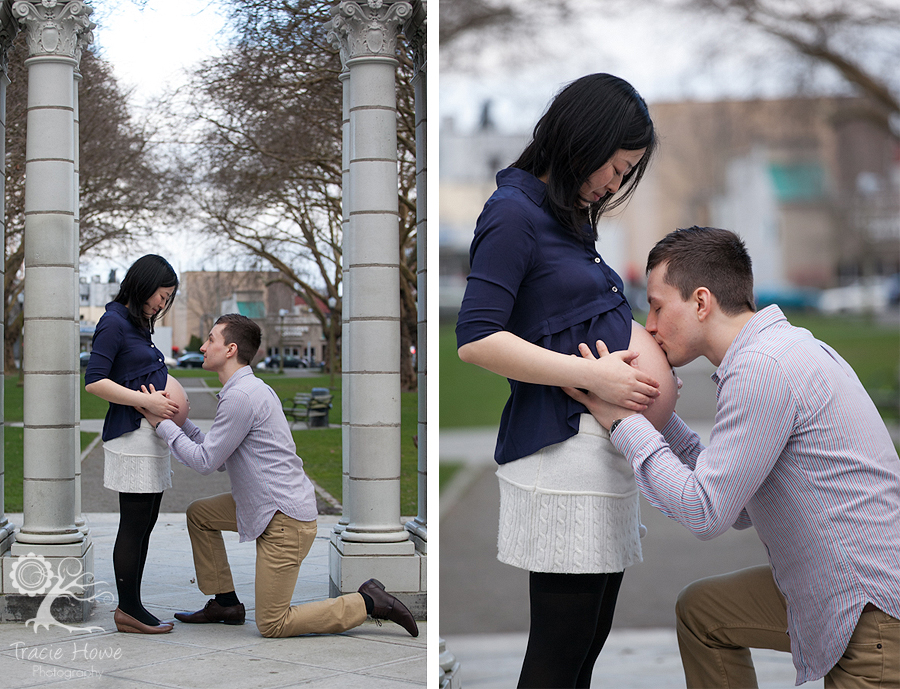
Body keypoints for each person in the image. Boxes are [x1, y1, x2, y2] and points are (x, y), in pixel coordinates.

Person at [565, 226, 900, 687]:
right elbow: (739, 506)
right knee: (703, 613)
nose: (650, 327)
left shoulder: (762, 369)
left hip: (870, 611)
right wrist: (660, 419)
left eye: (658, 306)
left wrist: (623, 422)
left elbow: (707, 512)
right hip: (828, 589)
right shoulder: (777, 350)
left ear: (701, 302)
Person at [456, 73, 679, 688]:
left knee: (583, 649)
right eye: (617, 165)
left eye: (628, 172)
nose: (616, 183)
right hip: (563, 456)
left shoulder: (570, 219)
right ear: (585, 137)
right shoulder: (513, 214)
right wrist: (593, 376)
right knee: (558, 654)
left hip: (601, 458)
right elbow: (476, 339)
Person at [139, 314, 418, 639]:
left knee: (273, 623)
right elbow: (218, 457)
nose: (202, 346)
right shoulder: (245, 390)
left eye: (210, 339)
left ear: (230, 349)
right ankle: (226, 603)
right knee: (200, 515)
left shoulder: (242, 397)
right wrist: (179, 420)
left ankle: (367, 602)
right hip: (267, 505)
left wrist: (162, 425)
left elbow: (204, 461)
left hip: (285, 521)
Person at [84, 254, 182, 635]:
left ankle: (134, 606)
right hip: (131, 437)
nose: (163, 304)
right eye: (162, 294)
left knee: (145, 524)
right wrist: (148, 401)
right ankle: (128, 609)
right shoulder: (113, 321)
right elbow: (94, 381)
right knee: (134, 524)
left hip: (149, 436)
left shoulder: (137, 324)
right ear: (144, 284)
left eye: (169, 298)